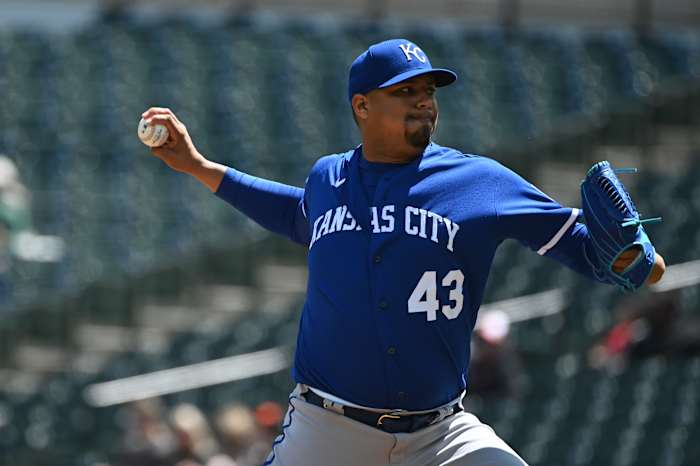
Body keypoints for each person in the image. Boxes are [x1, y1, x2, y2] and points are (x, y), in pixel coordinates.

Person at [141, 38, 666, 466]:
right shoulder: (329, 177)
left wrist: (635, 261)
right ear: (362, 106)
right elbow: (297, 216)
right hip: (328, 431)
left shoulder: (479, 181)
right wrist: (199, 166)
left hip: (440, 435)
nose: (424, 100)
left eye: (429, 91)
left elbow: (596, 252)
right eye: (406, 90)